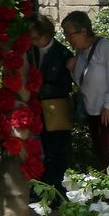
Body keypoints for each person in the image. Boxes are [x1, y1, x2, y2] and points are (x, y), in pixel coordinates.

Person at [62, 11, 109, 169]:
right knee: (101, 154)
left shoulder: (106, 48)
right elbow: (85, 83)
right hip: (93, 110)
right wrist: (72, 70)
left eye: (69, 34)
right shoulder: (80, 52)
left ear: (83, 31)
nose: (68, 39)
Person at [28, 13, 74, 200]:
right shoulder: (30, 51)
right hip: (36, 111)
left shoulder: (62, 53)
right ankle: (41, 191)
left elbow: (65, 86)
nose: (34, 41)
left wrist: (40, 87)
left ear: (47, 33)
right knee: (38, 152)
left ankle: (56, 194)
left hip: (54, 110)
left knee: (56, 152)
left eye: (36, 37)